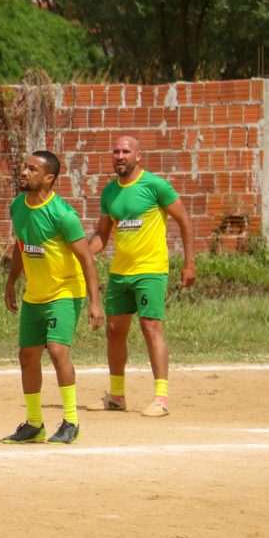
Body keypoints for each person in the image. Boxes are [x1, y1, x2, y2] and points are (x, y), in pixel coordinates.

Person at [86, 135, 196, 417]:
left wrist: (189, 263)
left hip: (151, 270)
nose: (120, 156)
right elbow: (102, 235)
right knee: (114, 331)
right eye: (116, 151)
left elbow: (184, 220)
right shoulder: (110, 192)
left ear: (138, 156)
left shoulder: (155, 185)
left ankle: (161, 398)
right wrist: (84, 253)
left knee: (151, 328)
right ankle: (116, 395)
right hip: (120, 272)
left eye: (126, 151)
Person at [2, 151, 103, 445]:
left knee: (58, 351)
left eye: (32, 169)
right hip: (35, 294)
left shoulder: (63, 215)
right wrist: (11, 282)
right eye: (24, 167)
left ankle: (71, 422)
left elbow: (87, 260)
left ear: (49, 178)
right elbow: (21, 245)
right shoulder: (17, 206)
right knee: (27, 356)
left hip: (65, 291)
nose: (24, 172)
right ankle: (35, 424)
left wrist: (95, 303)